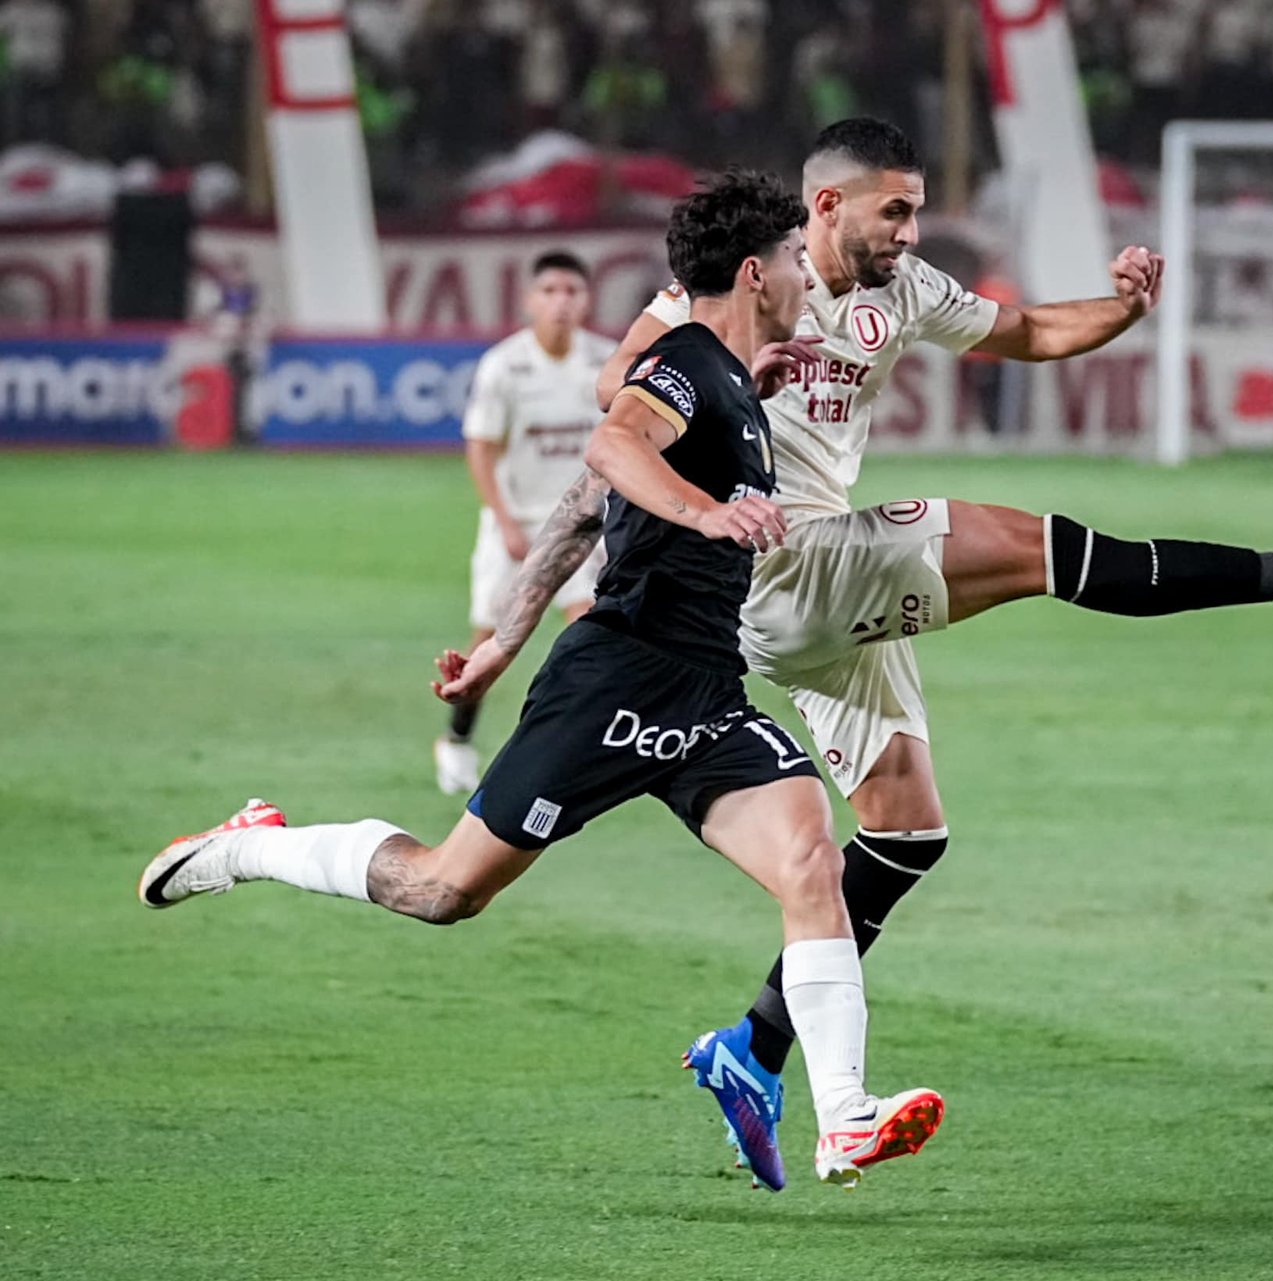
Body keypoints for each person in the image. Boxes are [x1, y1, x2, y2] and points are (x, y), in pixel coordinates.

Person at [436, 118, 1273, 1181]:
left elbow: (1031, 333)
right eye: (892, 209)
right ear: (824, 208)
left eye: (914, 209)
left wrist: (1126, 306)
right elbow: (618, 397)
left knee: (904, 834)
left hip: (827, 578)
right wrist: (736, 370)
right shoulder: (730, 283)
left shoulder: (901, 289)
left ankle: (752, 1051)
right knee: (1030, 547)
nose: (910, 228)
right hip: (771, 565)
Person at [138, 169, 944, 1194]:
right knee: (442, 891)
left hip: (705, 696)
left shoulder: (737, 379)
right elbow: (610, 448)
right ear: (755, 271)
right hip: (611, 687)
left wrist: (499, 643)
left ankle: (846, 1120)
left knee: (811, 864)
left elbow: (572, 517)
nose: (802, 270)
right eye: (790, 256)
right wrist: (701, 515)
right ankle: (254, 845)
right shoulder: (682, 365)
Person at [433, 251, 614, 796]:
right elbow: (481, 449)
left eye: (572, 291)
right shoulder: (503, 366)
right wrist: (505, 520)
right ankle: (457, 739)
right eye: (551, 291)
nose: (561, 302)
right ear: (531, 300)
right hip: (516, 523)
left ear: (587, 300)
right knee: (489, 640)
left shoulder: (606, 363)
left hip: (583, 523)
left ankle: (579, 749)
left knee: (589, 632)